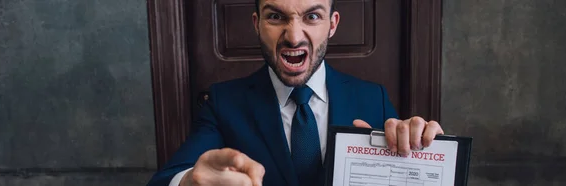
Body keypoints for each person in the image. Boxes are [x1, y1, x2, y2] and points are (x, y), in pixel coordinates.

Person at [147, 0, 444, 185]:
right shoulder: (223, 103)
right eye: (276, 17)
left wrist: (424, 153)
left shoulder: (372, 99)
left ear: (332, 24)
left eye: (312, 17)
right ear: (257, 24)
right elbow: (163, 182)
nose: (293, 36)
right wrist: (188, 182)